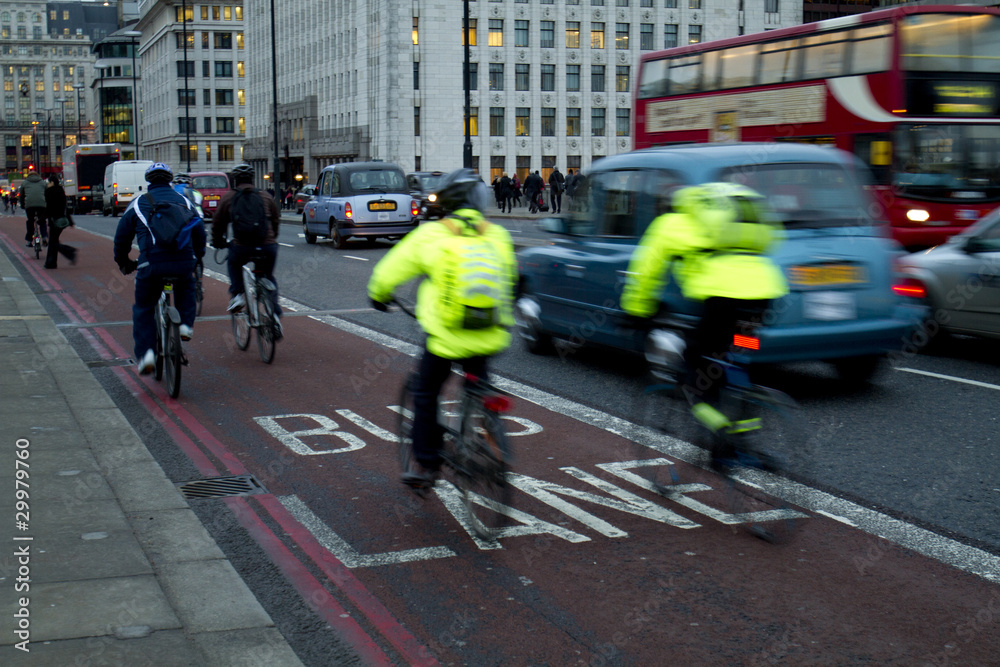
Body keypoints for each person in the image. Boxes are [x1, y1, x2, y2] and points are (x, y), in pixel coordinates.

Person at [620, 182, 788, 469]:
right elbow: (775, 238)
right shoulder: (730, 209)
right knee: (737, 355)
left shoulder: (672, 222)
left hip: (721, 299)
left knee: (693, 368)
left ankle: (722, 436)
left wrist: (636, 311)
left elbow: (647, 269)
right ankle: (745, 438)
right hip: (763, 295)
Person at [367, 168, 517, 488]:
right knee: (480, 384)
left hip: (446, 339)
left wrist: (378, 296)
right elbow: (512, 282)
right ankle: (496, 449)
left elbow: (387, 273)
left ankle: (426, 464)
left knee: (425, 392)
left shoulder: (432, 234)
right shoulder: (497, 235)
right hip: (490, 334)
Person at [114, 162, 206, 375]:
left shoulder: (138, 203)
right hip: (182, 261)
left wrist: (124, 262)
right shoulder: (185, 201)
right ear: (169, 180)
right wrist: (197, 257)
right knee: (187, 286)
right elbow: (199, 232)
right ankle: (185, 326)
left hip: (150, 264)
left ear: (149, 182)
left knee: (144, 308)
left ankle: (146, 354)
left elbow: (122, 238)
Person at [211, 163, 283, 337]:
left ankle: (237, 295)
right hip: (267, 246)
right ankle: (274, 314)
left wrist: (218, 241)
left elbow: (218, 223)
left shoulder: (229, 197)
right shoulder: (265, 196)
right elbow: (275, 218)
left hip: (242, 245)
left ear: (235, 180)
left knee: (234, 262)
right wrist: (273, 237)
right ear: (252, 179)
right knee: (268, 277)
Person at [43, 175, 76, 269]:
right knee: (54, 240)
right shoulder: (61, 191)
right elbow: (65, 208)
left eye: (48, 182)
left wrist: (42, 218)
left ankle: (69, 252)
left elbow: (48, 207)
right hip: (62, 220)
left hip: (54, 220)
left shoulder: (49, 192)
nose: (47, 184)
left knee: (53, 242)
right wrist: (70, 221)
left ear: (52, 182)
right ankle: (52, 263)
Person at [19, 170, 48, 247]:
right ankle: (44, 238)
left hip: (29, 205)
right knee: (42, 221)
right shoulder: (43, 182)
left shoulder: (25, 183)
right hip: (41, 205)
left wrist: (22, 205)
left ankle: (29, 241)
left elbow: (21, 195)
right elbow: (46, 194)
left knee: (30, 222)